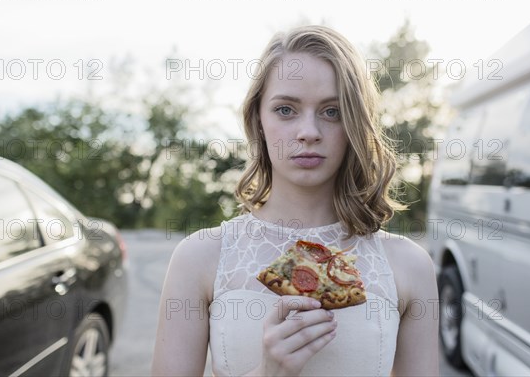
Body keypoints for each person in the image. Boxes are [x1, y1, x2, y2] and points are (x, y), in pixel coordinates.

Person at [152, 25, 439, 376]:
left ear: (355, 124)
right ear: (258, 119)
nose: (309, 132)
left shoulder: (410, 266)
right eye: (286, 109)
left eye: (332, 111)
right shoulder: (199, 257)